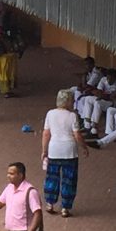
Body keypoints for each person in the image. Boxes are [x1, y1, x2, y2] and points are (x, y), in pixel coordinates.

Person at [41, 89, 89, 217]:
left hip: (54, 149)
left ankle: (50, 203)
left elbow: (46, 133)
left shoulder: (50, 114)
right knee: (69, 179)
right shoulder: (72, 116)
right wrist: (84, 147)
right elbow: (77, 135)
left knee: (52, 177)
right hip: (69, 151)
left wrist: (44, 151)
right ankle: (65, 208)